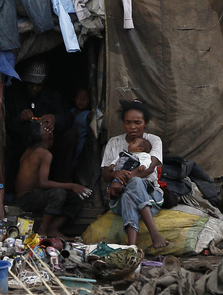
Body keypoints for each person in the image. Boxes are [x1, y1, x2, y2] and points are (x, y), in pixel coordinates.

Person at [100, 100, 168, 249]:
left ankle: (132, 247)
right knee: (129, 189)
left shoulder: (153, 141)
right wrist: (115, 174)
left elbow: (148, 169)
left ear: (146, 122)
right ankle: (153, 234)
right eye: (128, 122)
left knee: (134, 184)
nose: (132, 127)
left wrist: (122, 180)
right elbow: (106, 175)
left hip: (150, 197)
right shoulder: (114, 142)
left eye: (137, 122)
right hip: (117, 200)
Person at [4, 58, 76, 189]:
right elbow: (6, 124)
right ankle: (8, 188)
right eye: (31, 84)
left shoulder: (53, 96)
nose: (34, 87)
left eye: (39, 84)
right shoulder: (14, 95)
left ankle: (63, 183)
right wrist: (20, 119)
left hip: (48, 145)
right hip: (22, 145)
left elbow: (69, 119)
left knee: (71, 135)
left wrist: (55, 119)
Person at [15, 120, 92, 239]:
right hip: (27, 199)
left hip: (28, 197)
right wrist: (72, 185)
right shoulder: (44, 154)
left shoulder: (29, 150)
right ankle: (43, 230)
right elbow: (43, 183)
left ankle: (53, 228)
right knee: (58, 193)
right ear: (50, 136)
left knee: (76, 198)